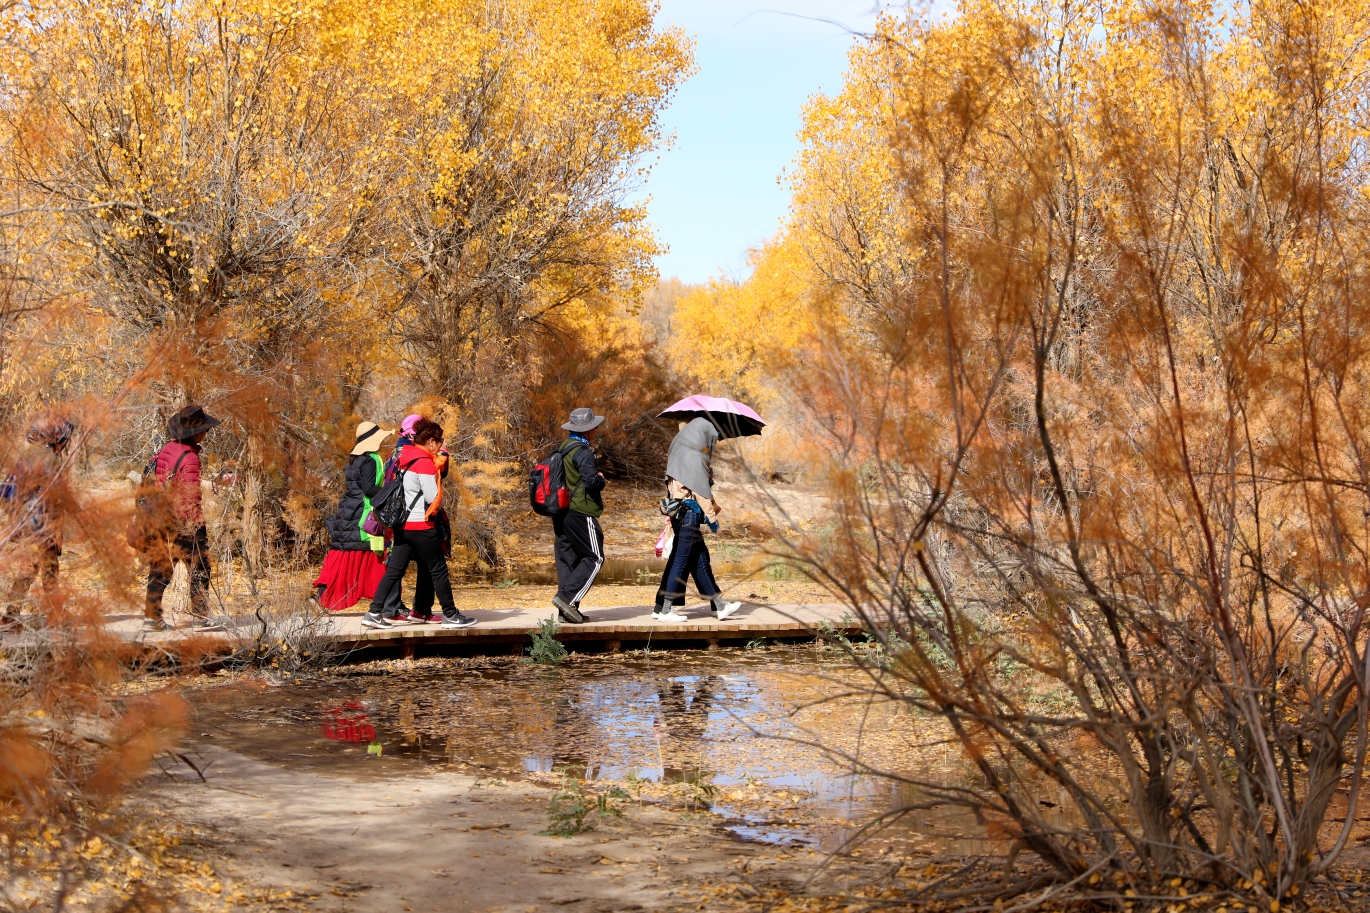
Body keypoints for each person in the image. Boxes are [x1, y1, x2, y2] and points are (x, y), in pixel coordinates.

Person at [363, 419, 475, 629]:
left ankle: (374, 612)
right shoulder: (424, 463)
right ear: (431, 442)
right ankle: (451, 615)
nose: (442, 445)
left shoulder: (406, 458)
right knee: (438, 570)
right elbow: (432, 497)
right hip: (421, 526)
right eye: (440, 441)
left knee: (394, 571)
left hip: (403, 527)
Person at [143, 404, 224, 632]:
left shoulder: (167, 449)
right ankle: (199, 613)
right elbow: (189, 496)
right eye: (205, 430)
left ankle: (153, 615)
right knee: (200, 566)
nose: (206, 434)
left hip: (161, 516)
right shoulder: (190, 458)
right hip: (184, 521)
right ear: (195, 433)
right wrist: (194, 527)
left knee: (160, 567)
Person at [653, 417, 741, 622]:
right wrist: (712, 519)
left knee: (700, 560)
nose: (714, 442)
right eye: (713, 437)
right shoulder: (695, 457)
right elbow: (701, 492)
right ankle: (666, 610)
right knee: (681, 560)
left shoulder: (680, 452)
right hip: (689, 513)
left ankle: (719, 605)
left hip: (679, 512)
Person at [309, 422, 395, 611]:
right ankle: (388, 604)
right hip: (362, 515)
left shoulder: (355, 459)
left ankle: (322, 595)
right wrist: (393, 490)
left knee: (345, 554)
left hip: (349, 510)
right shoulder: (371, 460)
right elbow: (370, 489)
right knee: (363, 555)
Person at [2, 412, 75, 626]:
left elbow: (6, 491)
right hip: (43, 525)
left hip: (25, 524)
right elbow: (60, 493)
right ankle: (54, 615)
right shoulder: (49, 459)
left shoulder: (25, 456)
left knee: (29, 569)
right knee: (49, 570)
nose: (65, 442)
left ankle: (12, 615)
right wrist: (80, 512)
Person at [550, 407, 608, 625]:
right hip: (580, 511)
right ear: (588, 430)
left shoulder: (562, 448)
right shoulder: (583, 451)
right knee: (595, 558)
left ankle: (566, 612)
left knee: (568, 559)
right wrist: (600, 478)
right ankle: (566, 599)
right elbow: (592, 482)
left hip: (560, 512)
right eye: (595, 427)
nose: (596, 431)